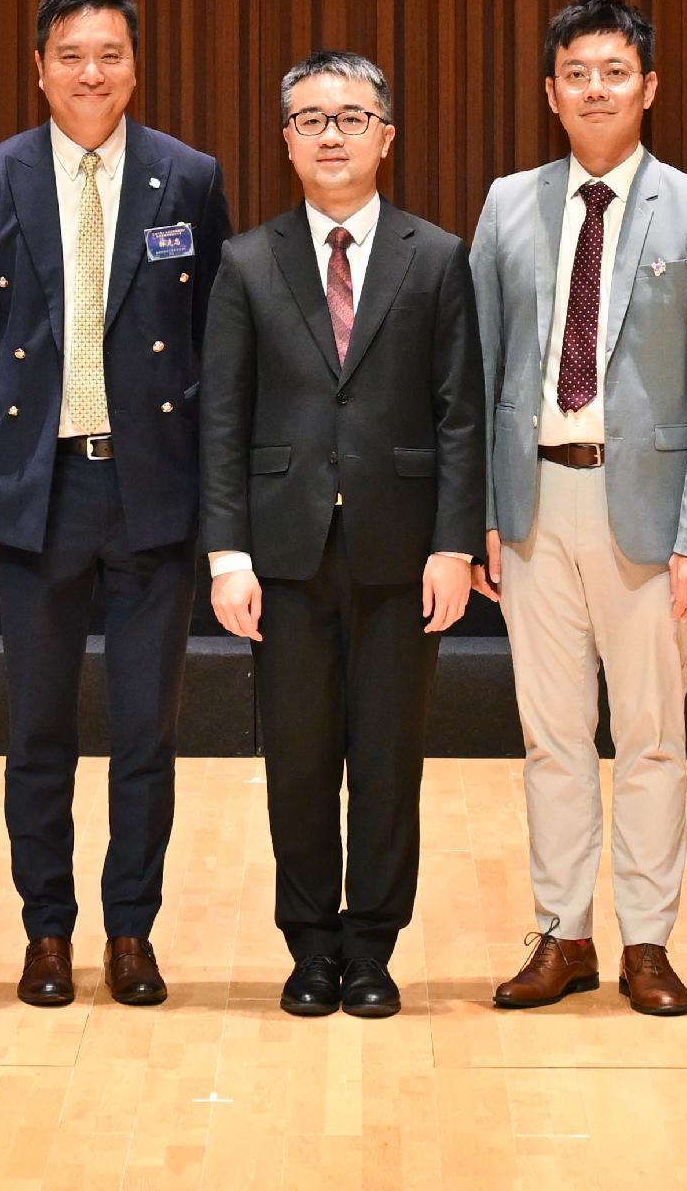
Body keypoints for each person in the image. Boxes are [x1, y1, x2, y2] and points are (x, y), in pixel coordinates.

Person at [0, 0, 234, 1010]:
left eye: (108, 51)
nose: (90, 71)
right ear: (38, 67)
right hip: (39, 488)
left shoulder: (188, 178)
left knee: (143, 732)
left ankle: (129, 928)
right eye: (70, 53)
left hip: (151, 491)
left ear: (134, 64)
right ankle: (45, 929)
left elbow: (208, 333)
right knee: (35, 728)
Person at [473, 0, 687, 1019]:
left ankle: (647, 939)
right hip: (534, 504)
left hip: (648, 512)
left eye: (614, 69)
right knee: (549, 736)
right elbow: (481, 368)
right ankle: (563, 932)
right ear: (550, 92)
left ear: (649, 85)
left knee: (649, 736)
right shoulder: (506, 202)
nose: (596, 87)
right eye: (576, 72)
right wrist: (484, 516)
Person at [199, 50, 486, 1020]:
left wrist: (454, 543)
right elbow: (222, 419)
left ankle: (373, 945)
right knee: (299, 755)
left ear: (386, 136)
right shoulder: (244, 260)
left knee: (389, 757)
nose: (332, 133)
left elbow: (460, 412)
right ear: (285, 137)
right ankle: (309, 941)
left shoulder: (437, 255)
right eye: (311, 117)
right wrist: (226, 552)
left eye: (352, 116)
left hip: (404, 551)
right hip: (281, 554)